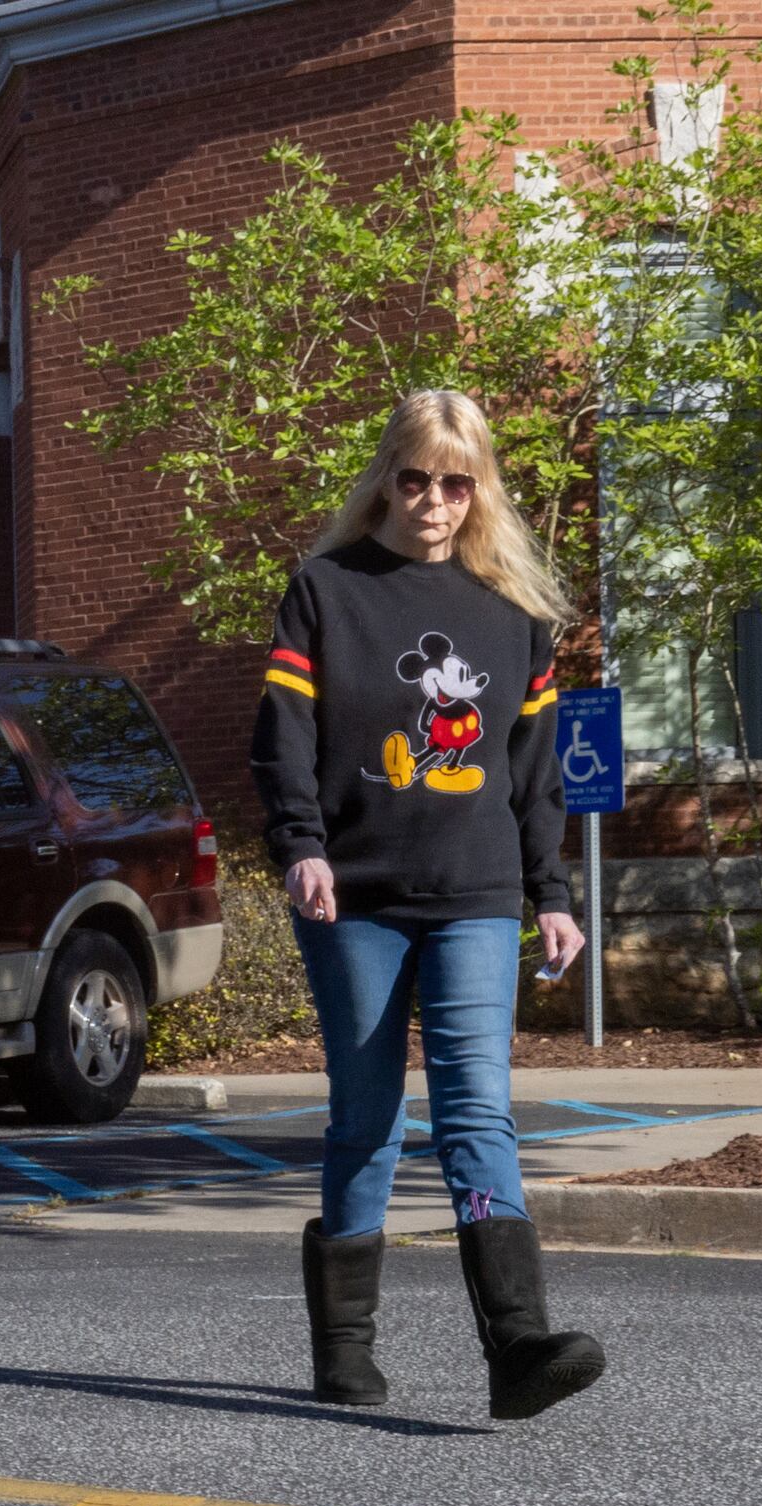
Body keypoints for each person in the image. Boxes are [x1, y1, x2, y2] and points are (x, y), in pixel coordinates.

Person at [252, 389, 607, 1420]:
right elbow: (284, 739)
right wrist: (300, 848)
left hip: (478, 895)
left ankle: (517, 1346)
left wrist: (553, 892)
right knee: (366, 1118)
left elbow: (532, 774)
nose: (436, 502)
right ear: (387, 477)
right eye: (417, 479)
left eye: (458, 483)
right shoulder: (325, 591)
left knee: (475, 1111)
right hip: (352, 895)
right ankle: (346, 1348)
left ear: (479, 488)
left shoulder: (516, 615)